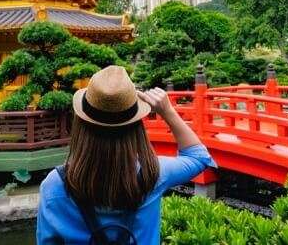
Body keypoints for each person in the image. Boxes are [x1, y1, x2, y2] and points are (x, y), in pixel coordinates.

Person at [36, 65, 215, 244]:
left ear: (81, 125)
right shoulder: (153, 174)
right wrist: (167, 112)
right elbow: (198, 157)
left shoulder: (55, 185)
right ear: (136, 127)